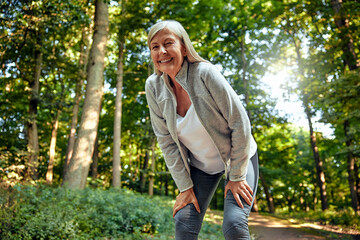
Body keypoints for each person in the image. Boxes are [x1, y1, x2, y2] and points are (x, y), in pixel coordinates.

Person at [145, 20, 259, 240]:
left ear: (184, 47)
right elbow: (167, 142)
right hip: (201, 167)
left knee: (234, 224)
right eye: (155, 47)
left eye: (168, 43)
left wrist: (236, 176)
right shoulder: (153, 87)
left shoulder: (205, 73)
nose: (162, 51)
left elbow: (240, 123)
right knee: (184, 222)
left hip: (237, 158)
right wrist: (185, 187)